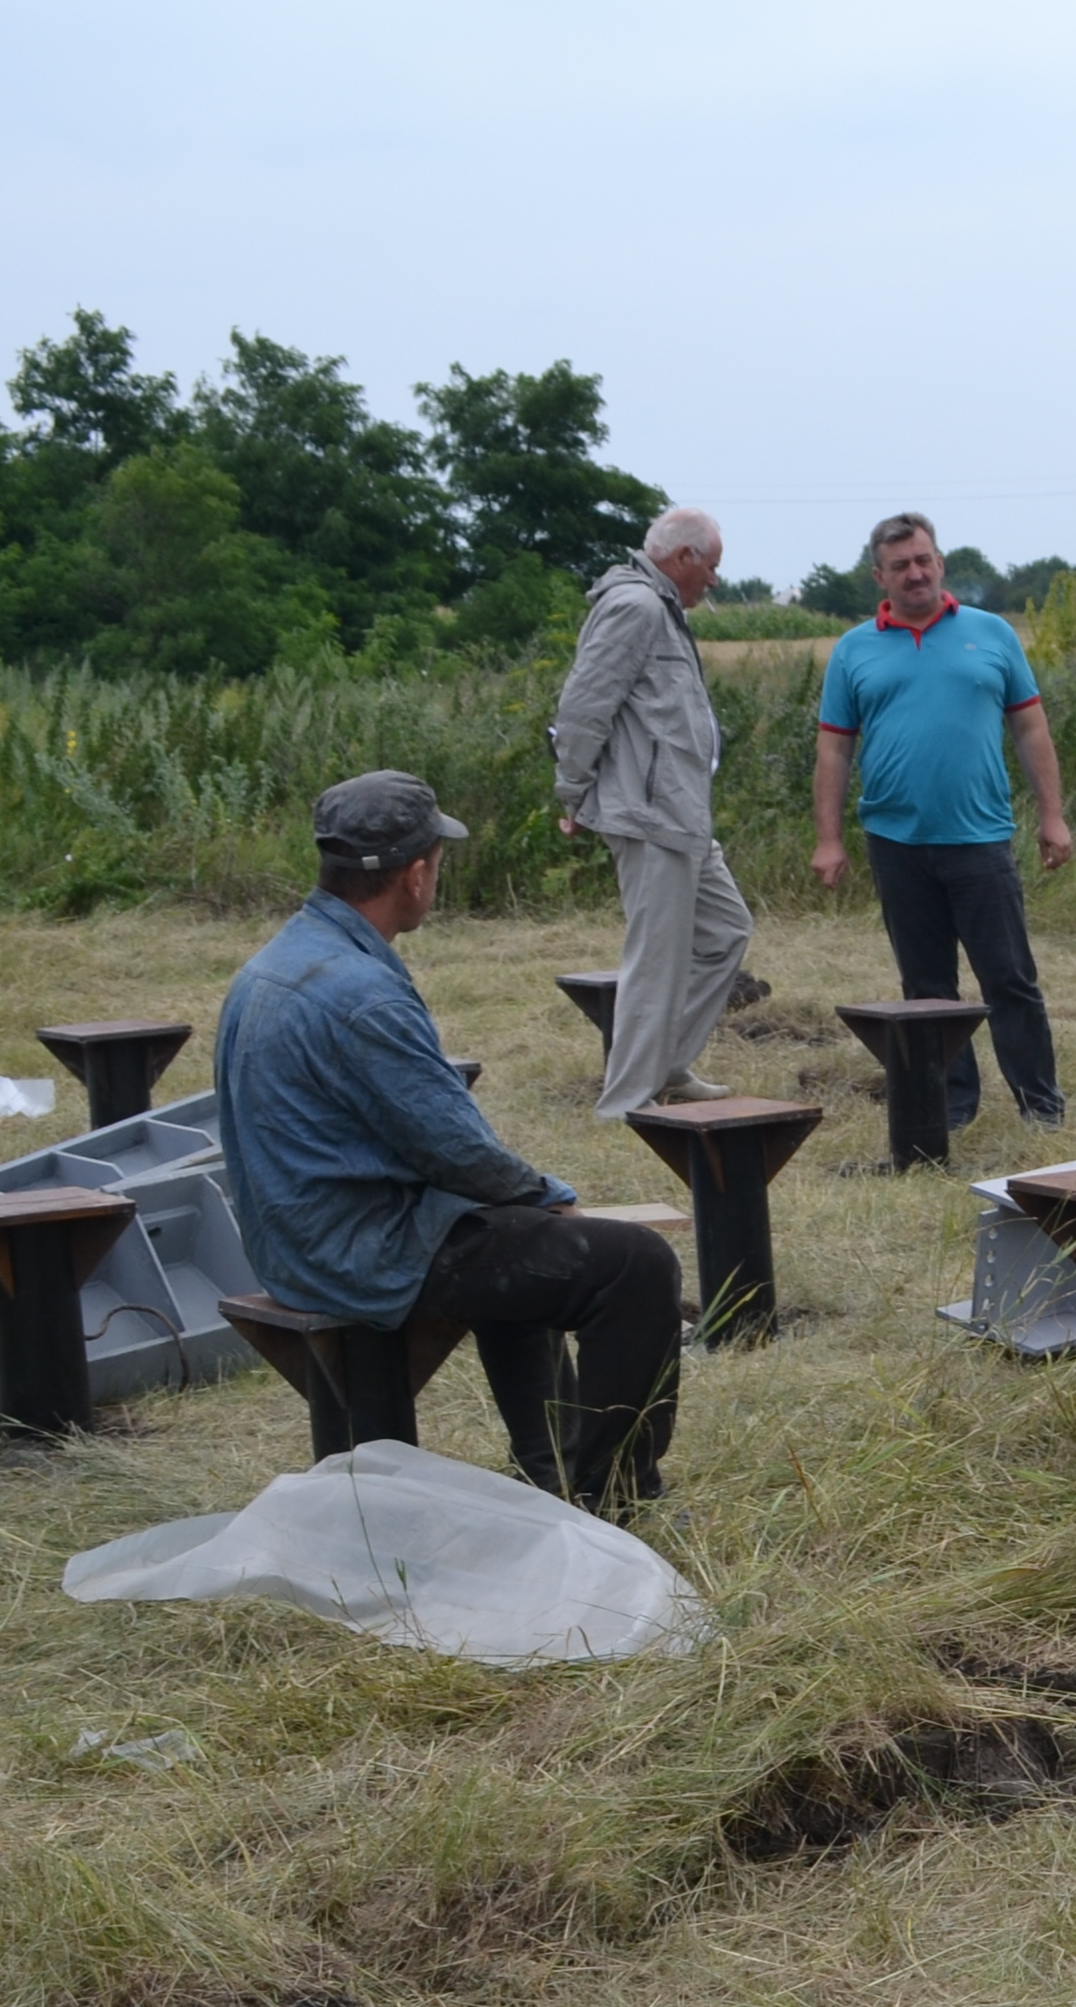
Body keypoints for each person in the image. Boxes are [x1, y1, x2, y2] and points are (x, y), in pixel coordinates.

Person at [212, 772, 682, 1514]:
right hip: (353, 1249)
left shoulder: (284, 957)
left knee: (517, 1245)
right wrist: (554, 1200)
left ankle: (553, 1471)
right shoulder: (358, 993)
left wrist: (527, 1209)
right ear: (416, 872)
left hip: (300, 1232)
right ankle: (617, 1497)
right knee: (635, 1267)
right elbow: (456, 1150)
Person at [811, 514, 1076, 1130]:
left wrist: (1053, 817)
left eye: (924, 559)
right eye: (901, 565)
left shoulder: (991, 634)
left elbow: (1030, 727)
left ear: (941, 564)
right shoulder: (854, 650)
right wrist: (828, 839)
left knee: (1009, 979)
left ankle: (1041, 1105)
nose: (916, 573)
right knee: (928, 990)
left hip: (980, 837)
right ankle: (949, 1108)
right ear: (879, 576)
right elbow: (834, 749)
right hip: (896, 842)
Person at [549, 505, 753, 1118]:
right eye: (711, 566)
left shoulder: (660, 608)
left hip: (681, 814)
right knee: (657, 958)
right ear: (684, 556)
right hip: (650, 814)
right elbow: (585, 707)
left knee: (725, 932)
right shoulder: (635, 606)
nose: (714, 580)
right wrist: (574, 794)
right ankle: (628, 1102)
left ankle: (666, 1067)